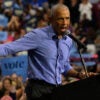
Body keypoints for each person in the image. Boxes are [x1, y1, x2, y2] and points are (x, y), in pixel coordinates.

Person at [0, 4, 97, 100]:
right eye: (60, 19)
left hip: (57, 90)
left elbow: (65, 67)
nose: (65, 22)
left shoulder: (68, 40)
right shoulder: (38, 36)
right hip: (37, 90)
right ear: (51, 19)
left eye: (67, 18)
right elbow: (9, 48)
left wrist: (78, 75)